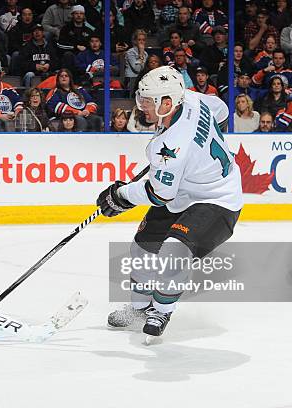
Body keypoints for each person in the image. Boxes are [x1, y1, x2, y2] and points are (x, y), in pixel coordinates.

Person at [99, 66, 242, 339]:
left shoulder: (172, 146)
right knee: (141, 247)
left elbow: (158, 195)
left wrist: (121, 195)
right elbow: (221, 110)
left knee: (174, 252)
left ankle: (162, 309)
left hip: (218, 199)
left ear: (167, 102)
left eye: (148, 102)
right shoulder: (190, 97)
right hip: (185, 191)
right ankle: (140, 307)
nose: (142, 107)